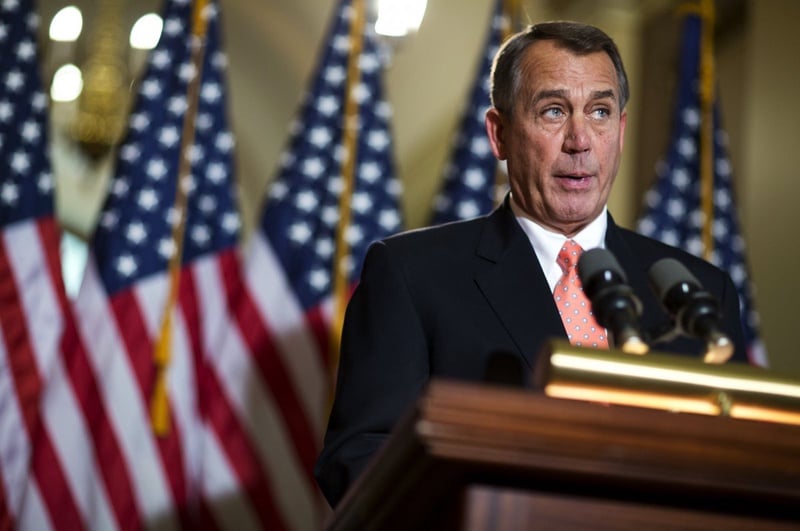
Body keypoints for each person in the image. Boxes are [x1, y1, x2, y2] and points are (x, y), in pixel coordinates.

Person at [314, 21, 747, 508]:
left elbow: (738, 460)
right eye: (554, 111)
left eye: (600, 111)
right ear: (499, 135)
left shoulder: (699, 294)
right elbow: (359, 459)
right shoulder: (411, 275)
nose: (580, 140)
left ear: (620, 132)